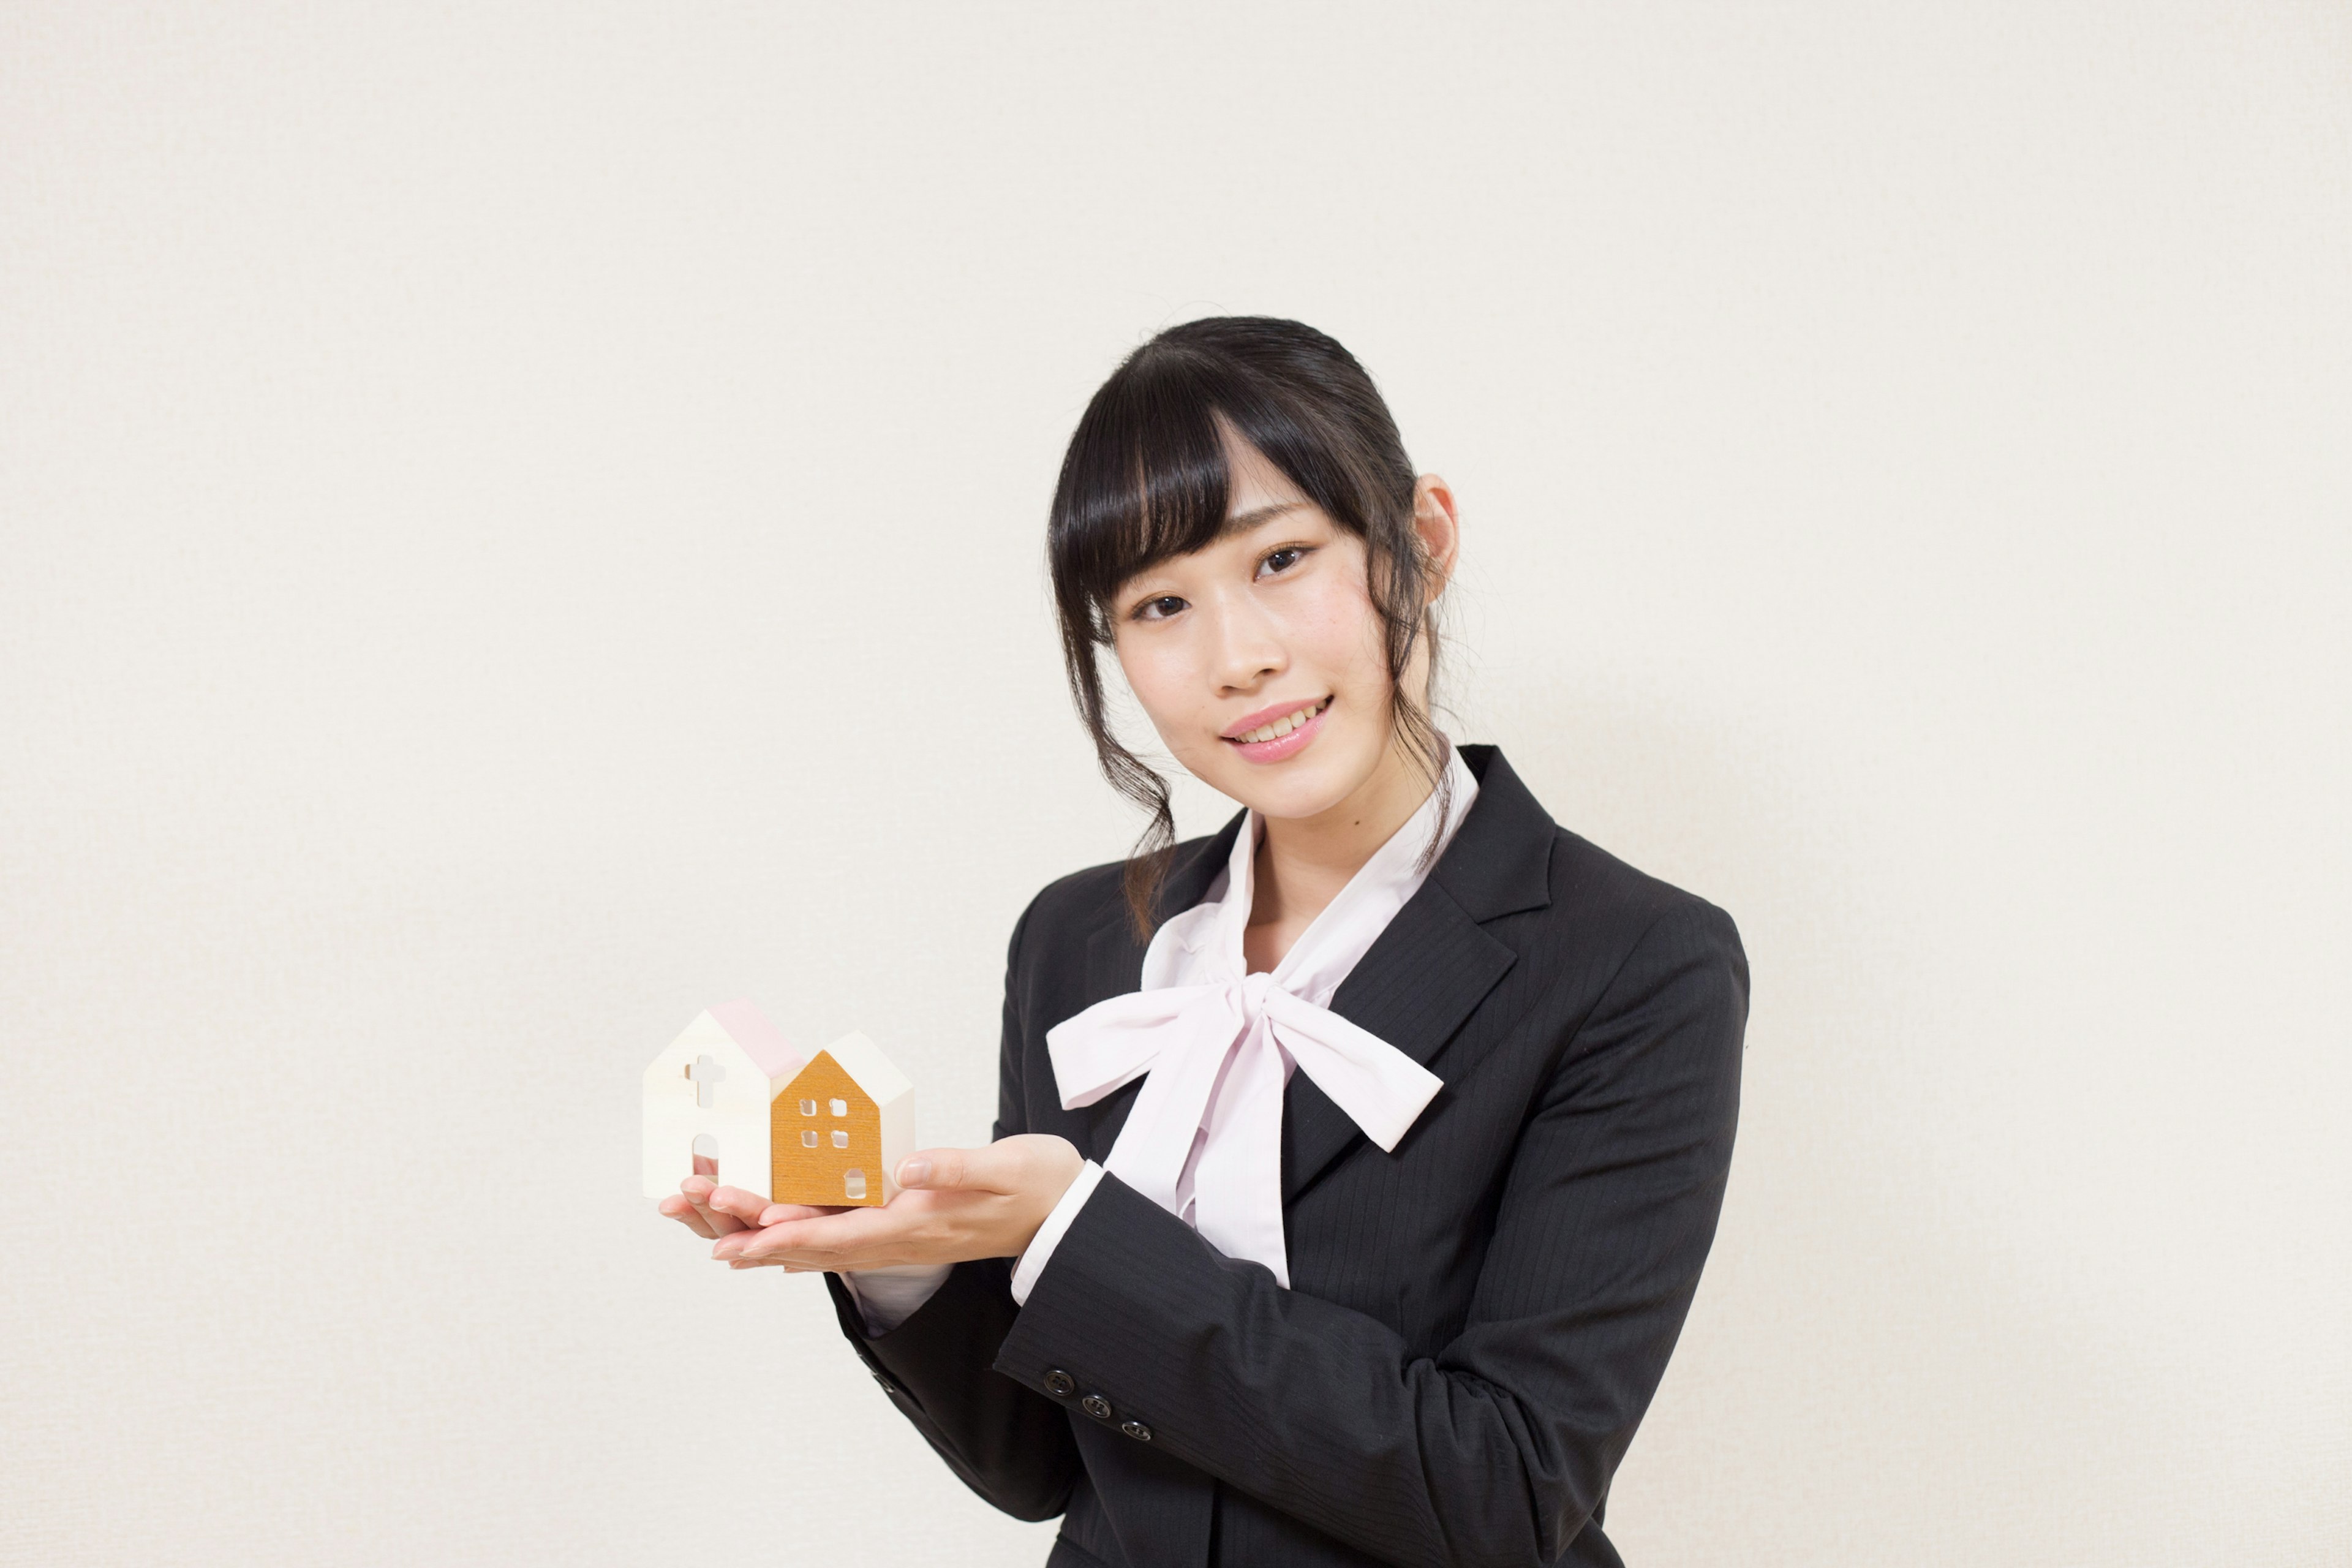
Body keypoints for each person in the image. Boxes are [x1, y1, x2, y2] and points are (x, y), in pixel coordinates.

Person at [655, 317, 1749, 1568]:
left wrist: (1073, 1226)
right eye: (1160, 603)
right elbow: (1038, 1462)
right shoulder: (1081, 937)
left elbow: (1503, 1491)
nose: (1240, 657)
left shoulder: (1634, 960)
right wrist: (894, 1260)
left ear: (1422, 539)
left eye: (1282, 558)